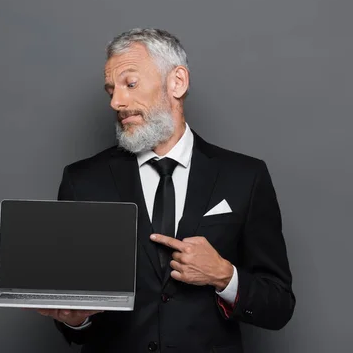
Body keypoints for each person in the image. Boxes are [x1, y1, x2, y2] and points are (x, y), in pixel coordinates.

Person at [35, 28, 295, 353]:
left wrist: (224, 276)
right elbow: (76, 324)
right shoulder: (82, 180)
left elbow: (279, 306)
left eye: (130, 84)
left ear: (177, 83)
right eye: (111, 90)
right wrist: (75, 319)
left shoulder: (245, 177)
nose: (117, 101)